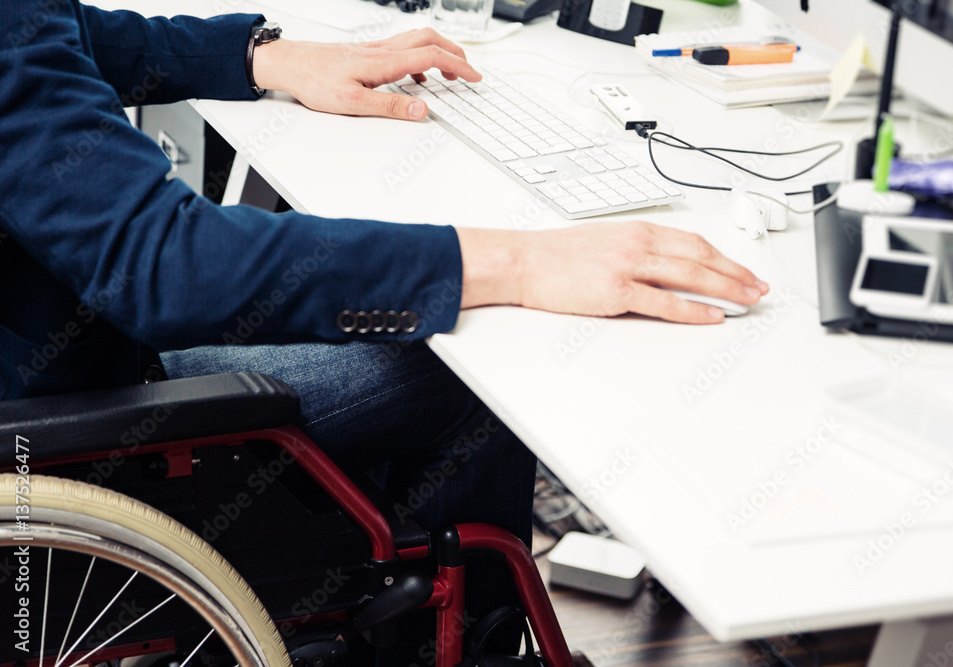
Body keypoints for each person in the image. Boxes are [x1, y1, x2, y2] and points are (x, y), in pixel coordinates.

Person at [0, 0, 768, 663]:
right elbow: (165, 265)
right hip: (60, 463)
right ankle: (472, 645)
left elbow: (51, 37)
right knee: (468, 370)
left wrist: (256, 56)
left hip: (40, 406)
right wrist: (515, 261)